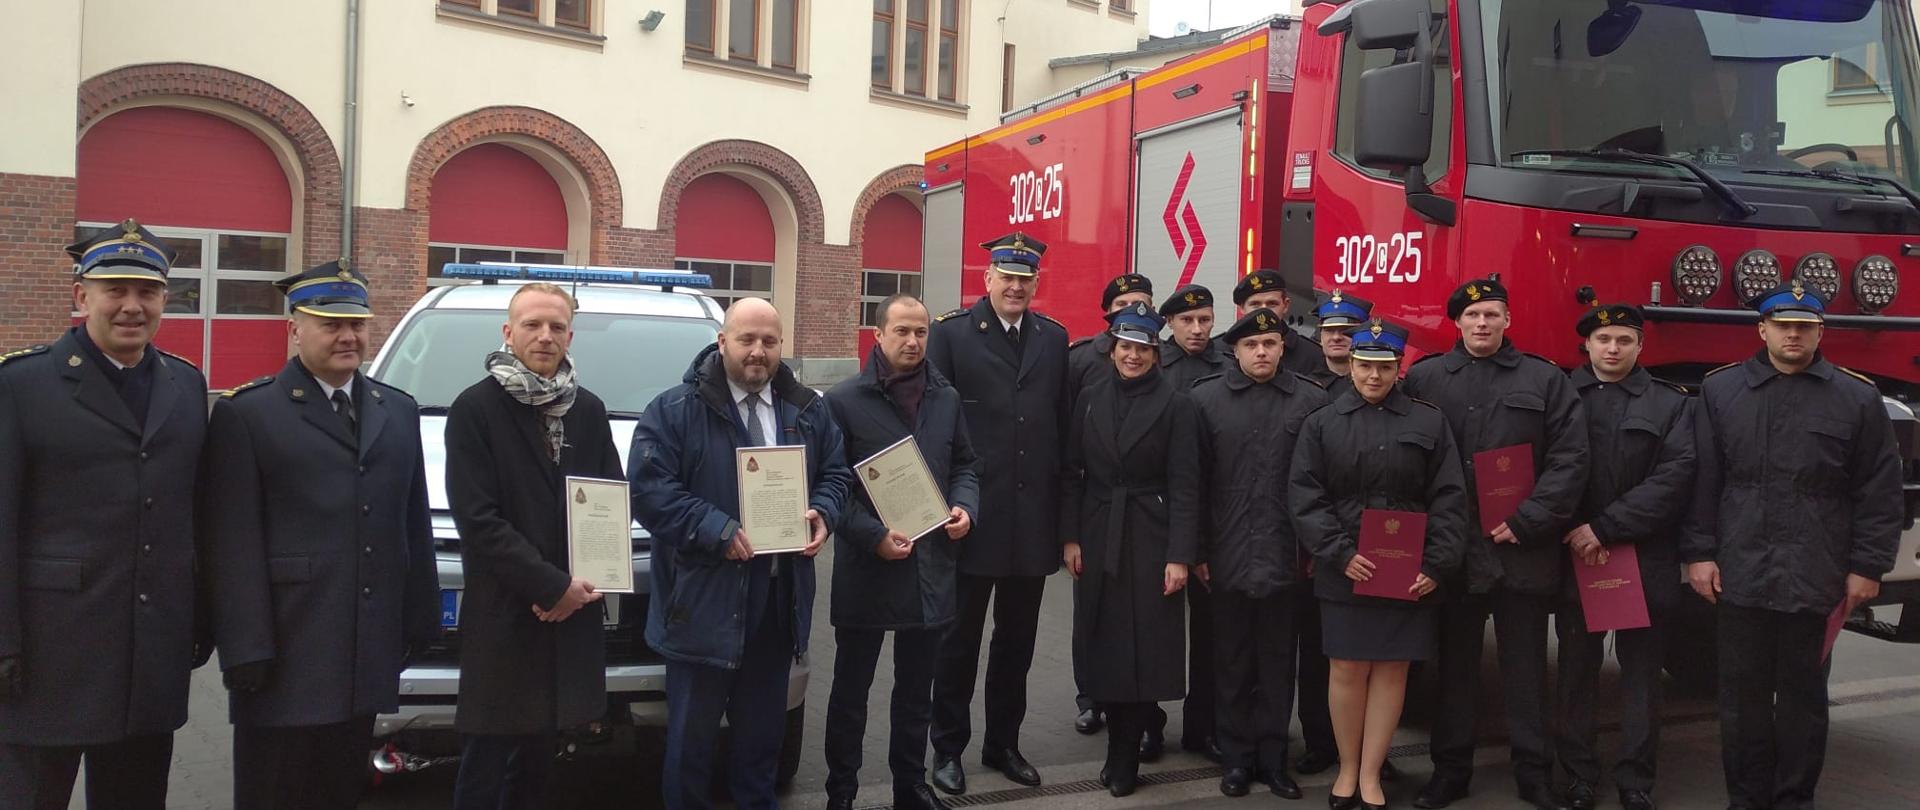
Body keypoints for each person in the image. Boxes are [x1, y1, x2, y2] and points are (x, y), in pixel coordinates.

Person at [200, 261, 439, 809]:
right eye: (330, 323)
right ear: (295, 330)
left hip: (364, 647)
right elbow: (230, 543)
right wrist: (244, 645)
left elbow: (412, 522)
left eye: (356, 323)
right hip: (284, 652)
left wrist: (419, 615)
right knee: (275, 791)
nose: (347, 336)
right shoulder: (249, 414)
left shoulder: (395, 410)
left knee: (338, 789)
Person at [0, 219, 211, 810]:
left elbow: (192, 513)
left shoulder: (186, 385)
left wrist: (199, 614)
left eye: (147, 292)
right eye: (114, 289)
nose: (131, 306)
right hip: (49, 656)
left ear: (165, 300)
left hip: (151, 655)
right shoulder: (23, 384)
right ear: (80, 296)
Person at [1683, 282, 1902, 810]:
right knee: (1741, 700)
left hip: (1816, 571)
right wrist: (1698, 553)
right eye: (1783, 326)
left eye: (1805, 326)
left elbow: (1878, 490)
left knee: (1804, 700)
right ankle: (1747, 799)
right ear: (1762, 329)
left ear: (1820, 331)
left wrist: (1868, 566)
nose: (1793, 335)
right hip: (1740, 570)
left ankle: (1794, 800)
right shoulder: (1721, 391)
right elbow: (1702, 480)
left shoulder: (1856, 397)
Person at [632, 297, 851, 810]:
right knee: (691, 747)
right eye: (747, 339)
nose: (758, 352)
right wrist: (716, 528)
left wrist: (824, 510)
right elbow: (649, 491)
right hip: (702, 604)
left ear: (781, 347)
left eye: (769, 342)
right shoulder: (673, 411)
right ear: (722, 341)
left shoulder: (809, 410)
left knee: (760, 747)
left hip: (776, 604)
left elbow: (838, 473)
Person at [1402, 278, 1587, 810]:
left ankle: (1534, 773)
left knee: (1525, 672)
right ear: (1455, 322)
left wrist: (1530, 519)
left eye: (1492, 314)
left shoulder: (1546, 380)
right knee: (1455, 672)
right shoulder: (1425, 377)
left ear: (1508, 320)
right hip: (1453, 553)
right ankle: (1450, 771)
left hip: (1519, 550)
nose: (1482, 323)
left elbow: (1570, 458)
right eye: (1472, 314)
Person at [444, 283, 623, 810]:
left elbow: (608, 500)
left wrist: (582, 586)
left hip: (568, 618)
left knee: (542, 764)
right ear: (508, 332)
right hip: (506, 614)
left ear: (570, 335)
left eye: (557, 327)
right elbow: (479, 521)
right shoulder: (474, 409)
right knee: (485, 763)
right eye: (532, 325)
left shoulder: (587, 410)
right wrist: (552, 585)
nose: (545, 336)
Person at [1292, 318, 1467, 810]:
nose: (1373, 376)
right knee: (1346, 668)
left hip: (1408, 571)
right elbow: (1305, 497)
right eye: (1364, 366)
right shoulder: (1322, 423)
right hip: (1347, 566)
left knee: (1392, 670)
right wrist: (1340, 554)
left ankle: (1372, 773)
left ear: (1398, 369)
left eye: (1384, 367)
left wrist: (1436, 564)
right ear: (1350, 366)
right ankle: (1347, 769)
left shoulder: (1429, 422)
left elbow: (1450, 498)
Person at [823, 294, 980, 810]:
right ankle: (841, 790)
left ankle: (909, 786)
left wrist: (964, 507)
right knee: (851, 692)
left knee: (916, 694)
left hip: (929, 567)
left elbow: (965, 465)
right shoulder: (842, 401)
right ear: (878, 336)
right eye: (902, 332)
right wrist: (871, 535)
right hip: (869, 567)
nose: (913, 342)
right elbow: (829, 486)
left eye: (920, 333)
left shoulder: (946, 398)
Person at [927, 233, 1070, 794]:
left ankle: (1003, 742)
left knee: (1018, 642)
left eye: (1025, 279)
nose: (1015, 287)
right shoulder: (952, 334)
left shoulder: (1053, 340)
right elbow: (936, 431)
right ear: (987, 279)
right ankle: (947, 749)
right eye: (1006, 277)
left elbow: (1058, 430)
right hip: (971, 519)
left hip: (1031, 522)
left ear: (1036, 284)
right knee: (957, 641)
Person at [1551, 304, 1695, 810]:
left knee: (1641, 680)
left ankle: (1636, 780)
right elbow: (1545, 469)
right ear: (1586, 344)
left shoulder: (1671, 404)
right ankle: (1578, 777)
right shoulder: (1559, 395)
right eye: (1603, 338)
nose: (1613, 348)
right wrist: (1575, 529)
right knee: (1575, 674)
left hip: (1642, 557)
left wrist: (1606, 527)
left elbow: (1675, 478)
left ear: (1640, 347)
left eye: (1624, 340)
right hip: (1575, 555)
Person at [1059, 302, 1202, 798]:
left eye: (1142, 348)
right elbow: (1073, 472)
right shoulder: (1091, 398)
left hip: (1152, 535)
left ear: (1155, 352)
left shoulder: (1178, 404)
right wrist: (1072, 536)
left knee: (1145, 650)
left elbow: (1187, 484)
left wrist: (1180, 554)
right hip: (1099, 534)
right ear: (1112, 350)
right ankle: (1119, 745)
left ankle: (1126, 753)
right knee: (1105, 643)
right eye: (1125, 347)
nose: (1133, 356)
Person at [1190, 308, 1328, 799]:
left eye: (1270, 343)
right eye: (1252, 345)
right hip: (1225, 556)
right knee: (1230, 662)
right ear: (1236, 349)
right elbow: (1194, 486)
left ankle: (1273, 759)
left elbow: (1320, 486)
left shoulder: (1311, 402)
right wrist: (1198, 550)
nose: (1262, 352)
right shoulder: (1205, 400)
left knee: (1276, 663)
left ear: (1283, 347)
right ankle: (1235, 759)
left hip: (1286, 558)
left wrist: (1313, 548)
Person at [1065, 272, 1152, 737]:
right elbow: (1069, 452)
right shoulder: (1081, 362)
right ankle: (1090, 698)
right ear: (1109, 314)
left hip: (1141, 518)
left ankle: (1142, 708)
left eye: (1143, 303)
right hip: (1096, 513)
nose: (1133, 311)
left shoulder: (1162, 358)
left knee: (1140, 618)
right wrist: (1070, 530)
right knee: (1090, 612)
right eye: (1124, 305)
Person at [1295, 288, 1373, 782]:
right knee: (1315, 649)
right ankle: (1319, 741)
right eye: (1330, 331)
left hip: (1372, 547)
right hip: (1317, 546)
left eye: (1348, 331)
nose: (1339, 338)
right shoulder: (1302, 388)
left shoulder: (1379, 382)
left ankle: (1367, 747)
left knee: (1367, 653)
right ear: (1318, 335)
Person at [1226, 269, 1324, 377]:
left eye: (1271, 304)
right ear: (1241, 308)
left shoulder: (1312, 354)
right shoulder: (1222, 350)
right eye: (1255, 304)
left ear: (1286, 305)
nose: (1264, 311)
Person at [1308, 290, 1371, 389]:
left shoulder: (1377, 387)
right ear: (1321, 335)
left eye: (1345, 330)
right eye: (1329, 330)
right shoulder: (1306, 388)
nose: (1336, 337)